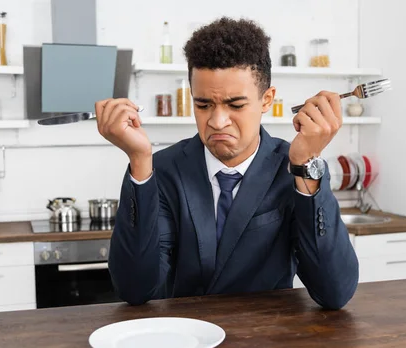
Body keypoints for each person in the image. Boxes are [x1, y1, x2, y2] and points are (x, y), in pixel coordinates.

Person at [95, 17, 359, 309]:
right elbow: (134, 289)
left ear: (267, 100)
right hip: (185, 339)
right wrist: (139, 160)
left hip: (267, 343)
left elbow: (335, 292)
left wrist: (304, 165)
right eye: (203, 105)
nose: (217, 122)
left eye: (235, 105)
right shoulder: (163, 169)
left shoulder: (293, 168)